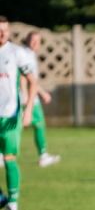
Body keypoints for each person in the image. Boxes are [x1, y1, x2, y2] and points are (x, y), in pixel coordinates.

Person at [0, 18, 37, 210]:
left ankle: (12, 203)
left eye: (5, 30)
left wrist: (29, 108)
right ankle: (1, 198)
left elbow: (32, 81)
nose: (2, 34)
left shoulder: (16, 53)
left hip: (10, 116)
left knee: (8, 158)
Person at [21, 32, 60, 167]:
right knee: (38, 125)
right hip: (28, 98)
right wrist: (42, 93)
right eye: (33, 40)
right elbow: (24, 78)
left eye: (38, 41)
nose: (36, 43)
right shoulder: (25, 55)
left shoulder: (30, 55)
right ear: (27, 40)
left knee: (13, 125)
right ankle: (43, 156)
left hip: (27, 96)